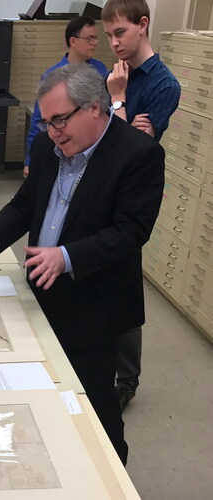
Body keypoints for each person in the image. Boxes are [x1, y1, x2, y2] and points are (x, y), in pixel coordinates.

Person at [0, 64, 165, 465]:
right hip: (41, 287)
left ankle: (112, 476)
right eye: (46, 123)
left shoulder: (139, 154)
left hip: (96, 302)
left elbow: (130, 232)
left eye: (60, 120)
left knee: (95, 402)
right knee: (39, 390)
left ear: (95, 108)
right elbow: (27, 203)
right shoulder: (49, 145)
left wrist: (66, 256)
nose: (53, 132)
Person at [102, 0, 181, 410]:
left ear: (143, 26)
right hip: (102, 187)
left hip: (133, 197)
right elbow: (107, 137)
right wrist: (123, 119)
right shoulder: (116, 73)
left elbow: (134, 152)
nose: (113, 43)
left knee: (124, 281)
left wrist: (117, 102)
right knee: (95, 270)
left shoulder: (163, 85)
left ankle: (126, 380)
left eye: (120, 33)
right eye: (109, 35)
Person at [23, 15, 107, 178]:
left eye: (96, 38)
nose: (95, 43)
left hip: (92, 149)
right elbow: (38, 122)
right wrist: (30, 160)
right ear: (73, 41)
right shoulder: (52, 77)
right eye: (90, 38)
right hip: (60, 146)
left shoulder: (100, 70)